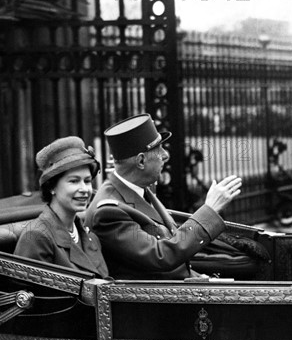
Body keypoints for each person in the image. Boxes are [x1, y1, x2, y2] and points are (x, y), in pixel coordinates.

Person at [85, 114, 242, 279]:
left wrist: (199, 278)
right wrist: (209, 210)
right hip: (147, 301)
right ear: (140, 161)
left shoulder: (138, 189)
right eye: (158, 150)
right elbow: (161, 256)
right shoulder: (108, 212)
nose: (166, 155)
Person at [14, 136, 108, 278]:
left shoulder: (89, 236)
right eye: (74, 181)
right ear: (52, 187)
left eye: (87, 181)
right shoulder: (36, 237)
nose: (84, 189)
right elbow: (32, 295)